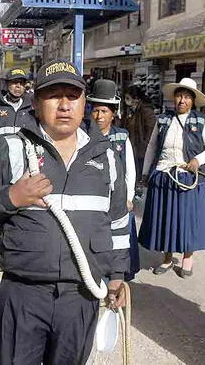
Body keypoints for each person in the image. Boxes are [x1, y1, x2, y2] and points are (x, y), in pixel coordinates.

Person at [0, 59, 130, 364]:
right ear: (36, 103)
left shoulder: (105, 156)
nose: (64, 105)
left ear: (83, 103)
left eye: (72, 96)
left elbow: (118, 221)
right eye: (53, 96)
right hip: (23, 294)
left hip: (81, 297)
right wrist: (11, 198)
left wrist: (117, 276)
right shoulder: (11, 148)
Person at [138, 78, 205, 277]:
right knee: (167, 220)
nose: (182, 100)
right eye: (179, 96)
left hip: (188, 178)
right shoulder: (164, 119)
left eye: (186, 97)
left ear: (193, 101)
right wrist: (146, 173)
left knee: (187, 220)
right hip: (165, 175)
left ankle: (187, 257)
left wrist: (197, 161)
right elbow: (152, 147)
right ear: (174, 98)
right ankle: (167, 258)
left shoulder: (201, 121)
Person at [88, 79, 140, 280]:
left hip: (117, 198)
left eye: (104, 111)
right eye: (96, 110)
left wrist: (129, 197)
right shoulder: (83, 136)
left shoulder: (121, 137)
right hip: (94, 197)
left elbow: (130, 170)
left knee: (118, 242)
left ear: (113, 114)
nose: (99, 116)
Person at [121, 82, 156, 180]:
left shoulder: (146, 111)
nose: (125, 101)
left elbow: (151, 132)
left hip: (141, 152)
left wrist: (145, 147)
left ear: (136, 99)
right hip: (131, 149)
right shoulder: (130, 111)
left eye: (128, 98)